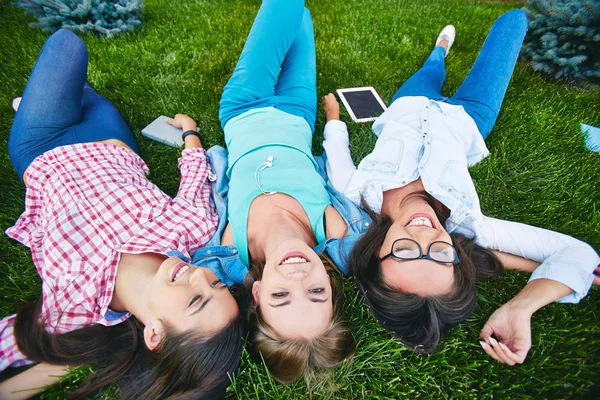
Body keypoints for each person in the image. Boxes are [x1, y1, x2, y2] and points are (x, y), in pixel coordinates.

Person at [321, 9, 600, 365]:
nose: (425, 238)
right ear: (457, 260)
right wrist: (521, 307)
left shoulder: (355, 192)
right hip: (469, 118)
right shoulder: (472, 225)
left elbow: (336, 155)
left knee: (431, 70)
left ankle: (440, 48)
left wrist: (333, 116)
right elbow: (578, 254)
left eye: (405, 252)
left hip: (408, 106)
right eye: (440, 255)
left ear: (377, 255)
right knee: (514, 21)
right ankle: (442, 51)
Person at [0, 29, 246, 399]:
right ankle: (50, 100)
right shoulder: (192, 232)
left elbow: (20, 352)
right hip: (111, 137)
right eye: (215, 285)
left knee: (68, 46)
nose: (199, 278)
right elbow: (195, 177)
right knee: (82, 90)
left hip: (42, 147)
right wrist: (191, 131)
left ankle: (40, 105)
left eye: (196, 301)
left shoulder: (74, 306)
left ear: (155, 335)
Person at [215, 0, 363, 383]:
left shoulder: (235, 246)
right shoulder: (331, 231)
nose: (298, 279)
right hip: (298, 110)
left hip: (243, 107)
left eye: (281, 297)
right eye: (316, 291)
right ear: (330, 284)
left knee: (286, 7)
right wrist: (333, 120)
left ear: (258, 293)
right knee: (302, 20)